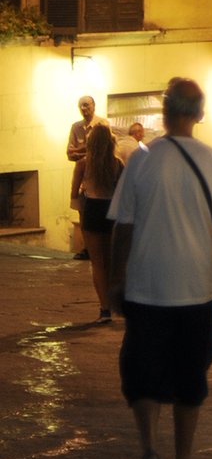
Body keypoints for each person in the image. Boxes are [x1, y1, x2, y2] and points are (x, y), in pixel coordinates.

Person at [107, 77, 212, 459]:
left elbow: (122, 229)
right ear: (200, 114)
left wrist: (115, 280)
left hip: (146, 288)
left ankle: (149, 451)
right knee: (190, 380)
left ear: (164, 113)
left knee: (141, 374)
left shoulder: (141, 160)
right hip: (196, 291)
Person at [79, 119, 123, 321]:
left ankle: (104, 308)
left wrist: (82, 214)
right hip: (112, 210)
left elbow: (75, 195)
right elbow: (124, 192)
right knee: (112, 260)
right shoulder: (117, 164)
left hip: (92, 209)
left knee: (97, 263)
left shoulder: (83, 164)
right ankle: (117, 302)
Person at [67, 94, 95, 258]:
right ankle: (87, 248)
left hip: (97, 179)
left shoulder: (101, 125)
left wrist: (79, 150)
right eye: (81, 106)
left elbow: (98, 151)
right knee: (82, 214)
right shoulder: (75, 127)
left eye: (86, 105)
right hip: (82, 179)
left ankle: (97, 248)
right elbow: (69, 154)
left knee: (96, 214)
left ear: (93, 106)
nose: (84, 109)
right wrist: (84, 150)